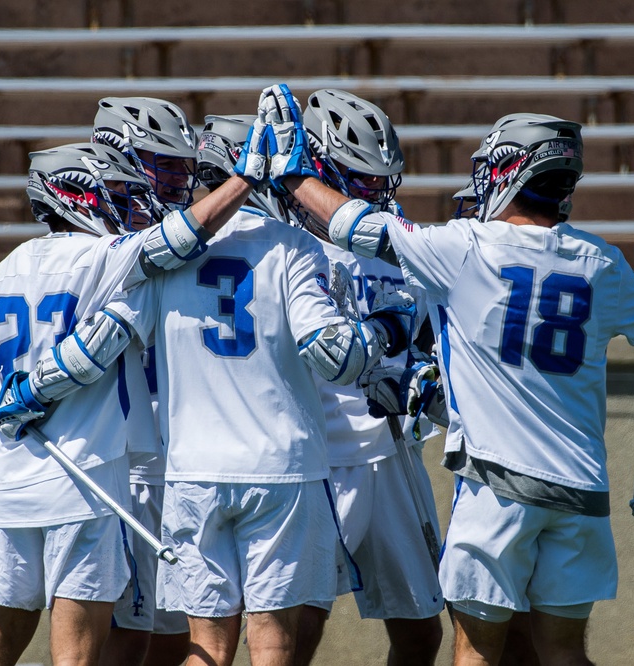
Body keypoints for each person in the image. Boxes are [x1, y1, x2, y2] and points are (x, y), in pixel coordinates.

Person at [266, 106, 634, 666]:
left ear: (511, 171)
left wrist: (293, 175)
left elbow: (351, 225)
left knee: (476, 653)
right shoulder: (601, 263)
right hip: (581, 490)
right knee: (562, 652)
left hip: (498, 486)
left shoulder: (465, 248)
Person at [0, 141, 246, 666]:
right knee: (75, 659)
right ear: (78, 194)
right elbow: (182, 234)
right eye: (118, 193)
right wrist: (246, 182)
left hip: (11, 488)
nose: (128, 205)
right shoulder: (103, 258)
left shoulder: (9, 266)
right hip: (84, 486)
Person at [105, 85, 418, 666]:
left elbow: (101, 346)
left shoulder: (162, 253)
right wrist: (385, 331)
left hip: (191, 470)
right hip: (283, 469)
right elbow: (335, 357)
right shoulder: (294, 245)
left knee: (204, 646)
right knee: (272, 642)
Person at [287, 89, 444, 666]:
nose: (378, 193)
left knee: (422, 630)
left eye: (384, 181)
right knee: (300, 627)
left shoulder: (398, 241)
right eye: (361, 177)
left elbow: (429, 337)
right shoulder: (290, 245)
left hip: (391, 453)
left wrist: (421, 380)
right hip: (319, 457)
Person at [90, 97, 198, 666]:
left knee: (176, 633)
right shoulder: (103, 247)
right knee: (125, 635)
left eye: (184, 166)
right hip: (125, 459)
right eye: (164, 163)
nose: (179, 179)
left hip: (175, 457)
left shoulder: (177, 237)